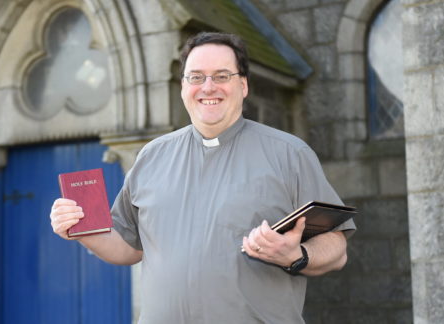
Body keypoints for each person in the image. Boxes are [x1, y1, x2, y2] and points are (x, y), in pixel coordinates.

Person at [51, 32, 356, 323]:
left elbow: (336, 247)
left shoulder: (289, 154)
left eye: (222, 76)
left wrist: (296, 255)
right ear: (184, 87)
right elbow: (129, 247)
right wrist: (80, 229)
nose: (208, 87)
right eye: (196, 77)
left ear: (244, 86)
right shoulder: (151, 157)